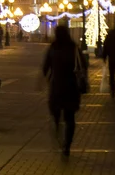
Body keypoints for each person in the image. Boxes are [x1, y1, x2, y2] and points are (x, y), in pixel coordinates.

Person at [42, 25, 86, 157]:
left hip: (57, 87)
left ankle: (57, 132)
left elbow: (45, 68)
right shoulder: (74, 48)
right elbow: (83, 65)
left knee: (56, 114)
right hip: (71, 87)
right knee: (70, 118)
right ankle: (67, 145)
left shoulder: (53, 48)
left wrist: (49, 76)